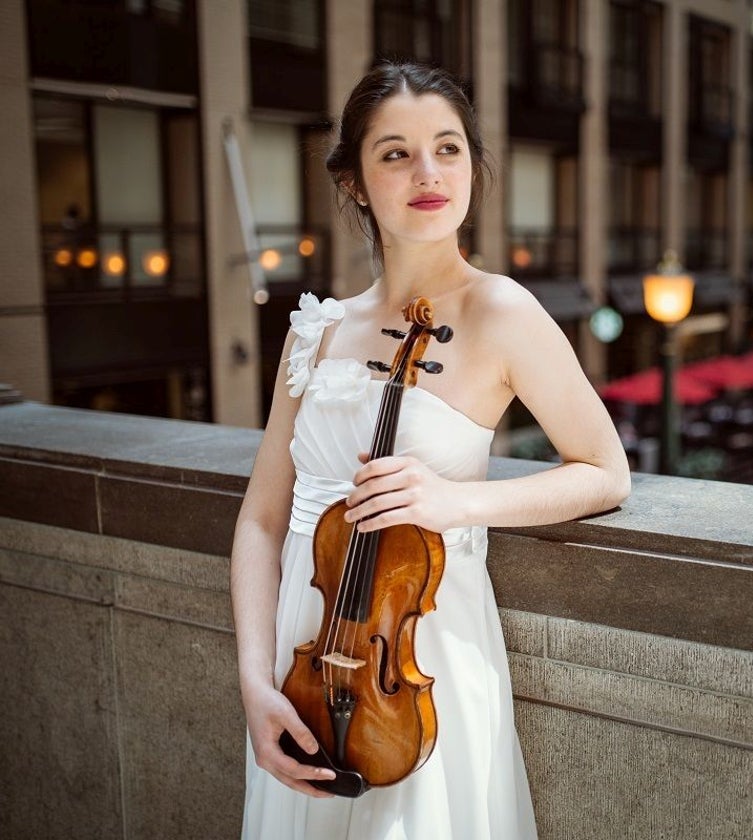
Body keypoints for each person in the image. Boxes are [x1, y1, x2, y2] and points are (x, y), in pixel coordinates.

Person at [231, 61, 631, 839]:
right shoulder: (316, 328)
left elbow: (605, 471)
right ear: (352, 179)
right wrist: (255, 680)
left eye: (448, 149)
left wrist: (456, 502)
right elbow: (261, 520)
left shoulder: (502, 311)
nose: (429, 173)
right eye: (395, 153)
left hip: (421, 665)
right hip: (304, 662)